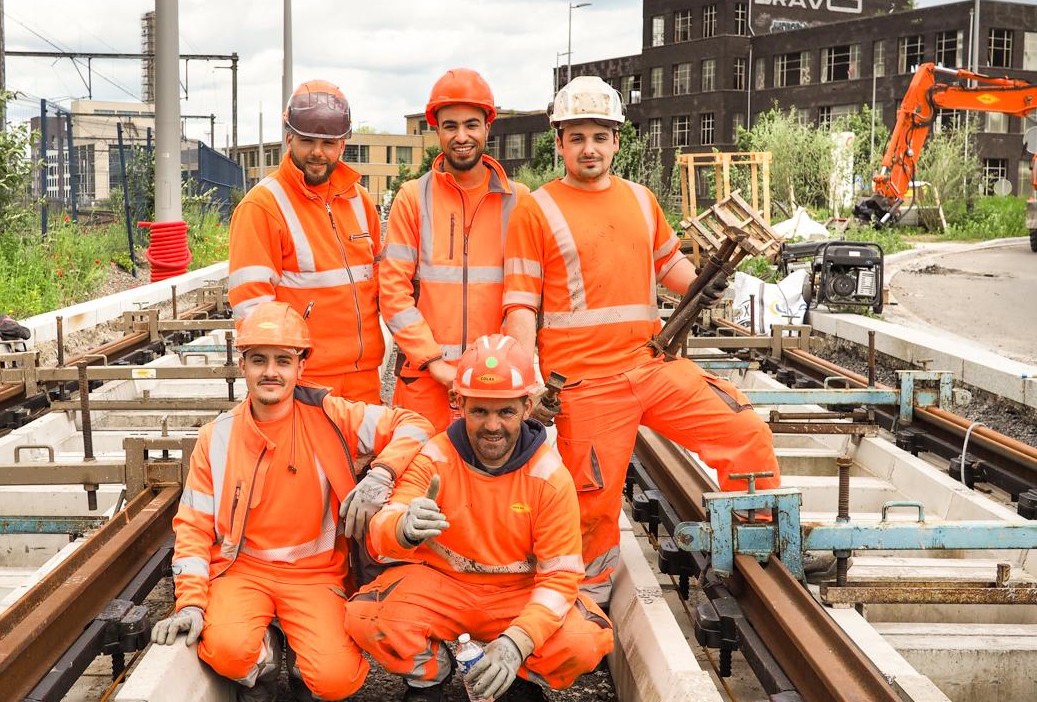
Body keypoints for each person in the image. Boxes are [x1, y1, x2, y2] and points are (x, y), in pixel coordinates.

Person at [503, 76, 781, 605]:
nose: (590, 148)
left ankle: (757, 546)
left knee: (743, 428)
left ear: (615, 141)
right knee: (590, 506)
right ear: (559, 142)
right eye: (577, 136)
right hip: (583, 386)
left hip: (651, 365)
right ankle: (586, 602)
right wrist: (527, 381)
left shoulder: (640, 199)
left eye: (600, 136)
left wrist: (705, 282)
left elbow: (668, 265)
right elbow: (519, 303)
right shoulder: (535, 210)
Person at [152, 301, 433, 702]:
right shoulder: (217, 438)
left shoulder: (332, 416)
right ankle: (265, 656)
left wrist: (382, 474)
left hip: (315, 573)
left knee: (336, 680)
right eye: (259, 360)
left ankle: (302, 659)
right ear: (242, 365)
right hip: (243, 571)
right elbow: (193, 528)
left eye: (283, 360)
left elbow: (416, 424)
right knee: (228, 651)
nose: (271, 372)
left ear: (301, 366)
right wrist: (190, 603)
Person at [345, 334, 613, 702]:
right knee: (365, 616)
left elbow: (559, 579)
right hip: (443, 587)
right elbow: (381, 536)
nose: (492, 426)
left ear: (526, 406)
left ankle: (520, 678)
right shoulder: (435, 457)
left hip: (518, 595)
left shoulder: (549, 477)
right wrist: (402, 527)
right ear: (460, 405)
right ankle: (431, 674)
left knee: (586, 641)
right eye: (479, 411)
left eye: (505, 411)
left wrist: (516, 643)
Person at [380, 69, 529, 431]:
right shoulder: (414, 198)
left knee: (486, 483)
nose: (461, 137)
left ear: (487, 127)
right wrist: (434, 362)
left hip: (493, 387)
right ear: (437, 130)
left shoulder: (519, 202)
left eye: (471, 125)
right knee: (420, 479)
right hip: (426, 381)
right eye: (450, 126)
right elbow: (393, 292)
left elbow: (525, 295)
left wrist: (508, 366)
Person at [227, 80, 384, 404]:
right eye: (307, 141)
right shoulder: (263, 206)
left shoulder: (360, 201)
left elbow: (380, 280)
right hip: (305, 381)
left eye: (328, 143)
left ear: (342, 145)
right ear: (289, 139)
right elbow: (253, 307)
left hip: (364, 376)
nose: (317, 152)